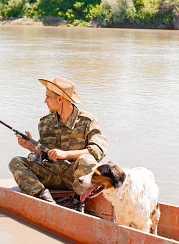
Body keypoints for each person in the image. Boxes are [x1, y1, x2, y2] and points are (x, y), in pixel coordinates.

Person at [9, 76, 108, 212]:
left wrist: (66, 154)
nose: (45, 101)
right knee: (15, 162)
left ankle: (78, 202)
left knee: (88, 160)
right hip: (50, 174)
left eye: (48, 97)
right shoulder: (45, 122)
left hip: (75, 177)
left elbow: (98, 151)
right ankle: (45, 199)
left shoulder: (87, 121)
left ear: (60, 99)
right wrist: (30, 146)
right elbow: (44, 153)